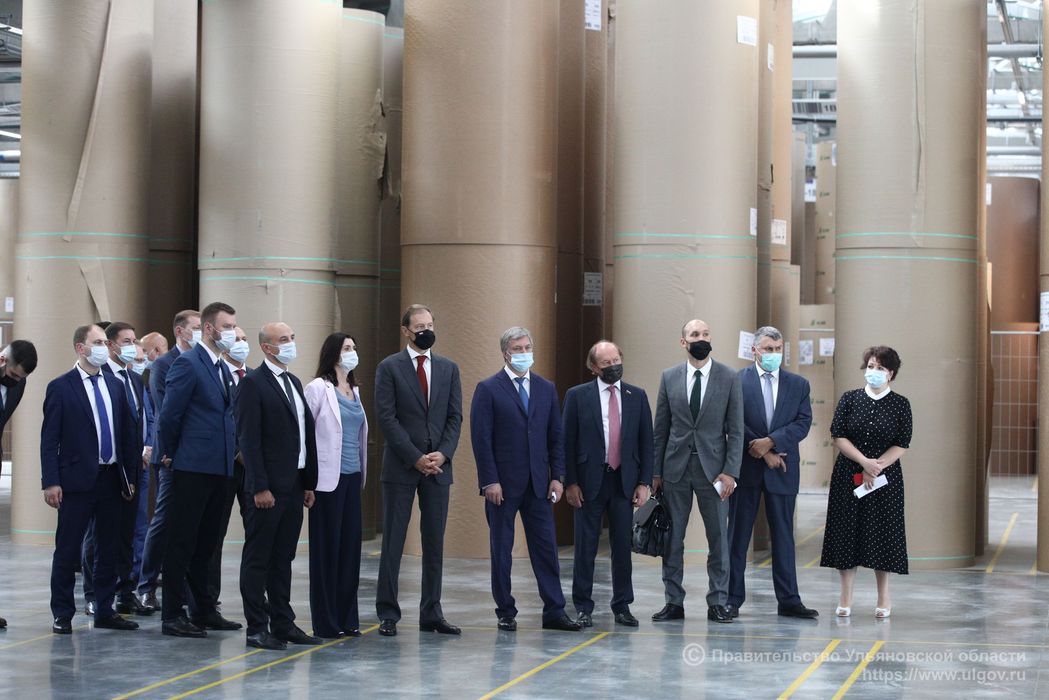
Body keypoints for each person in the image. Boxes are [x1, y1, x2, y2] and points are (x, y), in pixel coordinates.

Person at [470, 326, 581, 632]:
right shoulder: (488, 389)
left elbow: (555, 437)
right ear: (505, 353)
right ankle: (505, 610)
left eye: (527, 347)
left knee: (546, 549)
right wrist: (489, 481)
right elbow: (481, 440)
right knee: (502, 550)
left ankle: (555, 610)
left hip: (539, 484)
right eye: (517, 349)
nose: (523, 353)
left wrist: (558, 477)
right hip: (502, 486)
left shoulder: (546, 388)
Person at [41, 324, 140, 634]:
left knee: (108, 548)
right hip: (75, 481)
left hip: (111, 478)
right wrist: (51, 481)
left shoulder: (115, 385)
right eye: (97, 342)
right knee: (68, 548)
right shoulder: (61, 387)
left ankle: (105, 609)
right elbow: (49, 440)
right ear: (80, 348)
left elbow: (127, 434)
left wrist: (129, 476)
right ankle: (62, 613)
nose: (103, 347)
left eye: (105, 342)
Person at [374, 304, 463, 637]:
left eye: (430, 325)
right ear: (406, 331)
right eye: (419, 326)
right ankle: (388, 612)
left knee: (434, 542)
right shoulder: (389, 367)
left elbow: (455, 416)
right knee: (393, 541)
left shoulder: (448, 368)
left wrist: (444, 453)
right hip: (401, 465)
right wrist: (414, 457)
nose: (426, 331)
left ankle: (432, 612)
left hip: (438, 468)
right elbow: (386, 417)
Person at [157, 302, 241, 637]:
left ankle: (203, 608)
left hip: (220, 466)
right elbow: (169, 415)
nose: (232, 332)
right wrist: (174, 454)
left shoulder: (221, 366)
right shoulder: (188, 363)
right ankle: (172, 613)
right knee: (182, 541)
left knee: (208, 542)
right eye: (227, 326)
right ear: (209, 328)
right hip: (192, 466)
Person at [652, 319, 743, 624]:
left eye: (705, 333)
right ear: (684, 342)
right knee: (672, 539)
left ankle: (717, 601)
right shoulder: (669, 377)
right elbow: (660, 429)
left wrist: (730, 472)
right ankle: (673, 602)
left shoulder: (729, 377)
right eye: (694, 334)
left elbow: (736, 430)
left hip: (714, 473)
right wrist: (655, 473)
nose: (701, 338)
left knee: (718, 539)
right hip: (675, 470)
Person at [236, 322, 320, 650]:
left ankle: (283, 622)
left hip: (294, 485)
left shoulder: (293, 382)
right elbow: (249, 440)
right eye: (283, 340)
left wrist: (308, 481)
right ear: (267, 347)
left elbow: (303, 434)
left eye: (292, 338)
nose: (290, 344)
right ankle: (257, 627)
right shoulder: (253, 383)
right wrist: (259, 486)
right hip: (267, 489)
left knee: (283, 557)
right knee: (258, 559)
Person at [727, 326, 817, 620]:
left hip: (783, 468)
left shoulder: (798, 385)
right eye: (768, 349)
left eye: (778, 350)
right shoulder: (736, 381)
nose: (773, 354)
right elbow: (732, 421)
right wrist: (764, 451)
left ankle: (789, 600)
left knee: (784, 537)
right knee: (737, 536)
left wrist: (772, 442)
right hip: (746, 468)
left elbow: (803, 422)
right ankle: (731, 599)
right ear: (754, 350)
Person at [562, 340, 653, 628]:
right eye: (606, 363)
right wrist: (570, 482)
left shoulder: (637, 396)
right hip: (589, 482)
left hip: (623, 481)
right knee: (585, 547)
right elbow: (567, 442)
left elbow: (646, 442)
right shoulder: (577, 396)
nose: (613, 366)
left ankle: (622, 605)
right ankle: (583, 607)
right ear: (593, 368)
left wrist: (644, 482)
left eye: (616, 360)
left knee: (622, 547)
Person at [820, 346, 911, 620]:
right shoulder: (850, 399)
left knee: (883, 534)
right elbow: (838, 435)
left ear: (891, 373)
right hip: (848, 474)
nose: (874, 372)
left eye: (880, 368)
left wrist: (876, 466)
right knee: (846, 533)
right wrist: (864, 462)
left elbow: (902, 443)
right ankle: (845, 596)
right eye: (871, 366)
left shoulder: (901, 404)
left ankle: (883, 596)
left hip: (885, 478)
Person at [305, 332, 368, 638]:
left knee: (349, 551)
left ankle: (347, 618)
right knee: (326, 551)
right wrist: (307, 481)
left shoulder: (354, 390)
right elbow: (306, 435)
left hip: (353, 477)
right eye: (346, 348)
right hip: (326, 481)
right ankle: (326, 621)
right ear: (333, 353)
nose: (352, 352)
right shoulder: (318, 388)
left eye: (354, 347)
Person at [137, 310, 200, 611]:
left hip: (200, 457)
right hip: (171, 456)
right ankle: (146, 585)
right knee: (163, 521)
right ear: (180, 331)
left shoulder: (203, 362)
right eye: (196, 327)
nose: (201, 332)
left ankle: (192, 591)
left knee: (193, 525)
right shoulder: (164, 364)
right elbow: (167, 412)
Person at [207, 326, 250, 608]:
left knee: (258, 532)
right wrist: (235, 451)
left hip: (253, 468)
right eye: (236, 339)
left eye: (245, 339)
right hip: (223, 465)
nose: (242, 344)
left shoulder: (254, 378)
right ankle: (209, 598)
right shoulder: (216, 374)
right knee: (214, 534)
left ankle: (257, 597)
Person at [0, 339, 37, 628]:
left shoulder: (18, 384)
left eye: (21, 378)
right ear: (3, 361)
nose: (16, 381)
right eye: (13, 375)